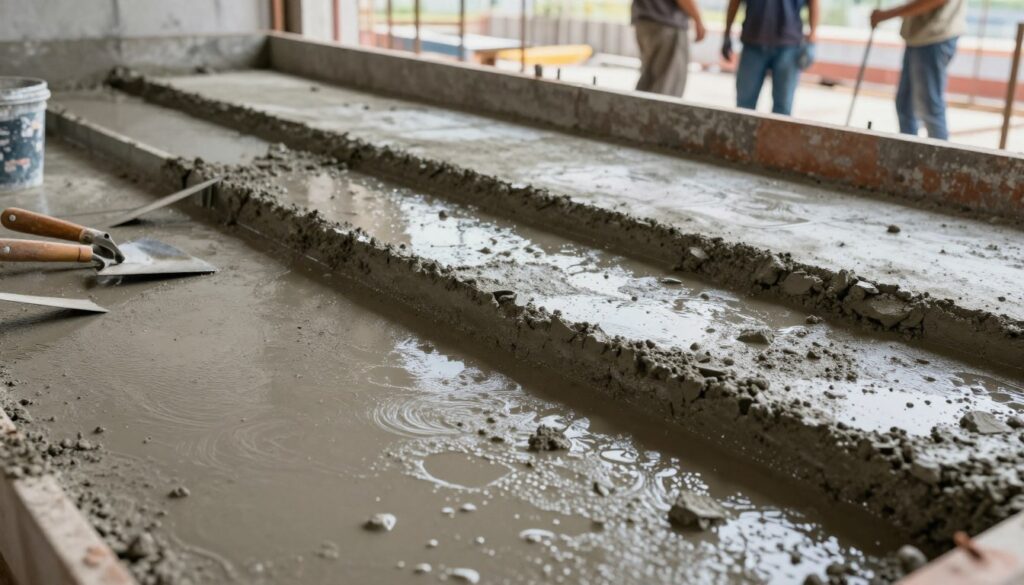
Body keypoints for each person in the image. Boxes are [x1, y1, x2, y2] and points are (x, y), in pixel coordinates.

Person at [871, 0, 965, 140]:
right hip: (919, 38)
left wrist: (886, 15)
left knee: (929, 108)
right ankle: (910, 155)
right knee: (905, 106)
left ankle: (939, 158)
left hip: (934, 38)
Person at [721, 0, 819, 115]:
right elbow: (735, 2)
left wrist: (812, 38)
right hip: (753, 43)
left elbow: (814, 2)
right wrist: (727, 34)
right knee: (744, 107)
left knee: (782, 109)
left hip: (788, 46)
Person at [632, 0, 707, 97]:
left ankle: (639, 111)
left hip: (644, 19)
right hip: (667, 22)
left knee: (648, 82)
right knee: (667, 86)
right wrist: (698, 19)